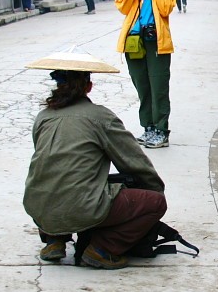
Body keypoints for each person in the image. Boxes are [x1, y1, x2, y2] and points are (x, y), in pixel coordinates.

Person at [23, 51, 168, 270]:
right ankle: (102, 249)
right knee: (154, 203)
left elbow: (50, 160)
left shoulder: (43, 117)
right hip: (81, 206)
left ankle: (54, 240)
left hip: (37, 205)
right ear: (88, 87)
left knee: (56, 183)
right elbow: (133, 161)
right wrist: (154, 190)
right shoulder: (100, 117)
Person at [114, 0, 177, 149]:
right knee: (142, 86)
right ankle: (148, 127)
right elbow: (122, 6)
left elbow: (166, 8)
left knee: (158, 86)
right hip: (134, 42)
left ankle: (161, 130)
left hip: (157, 43)